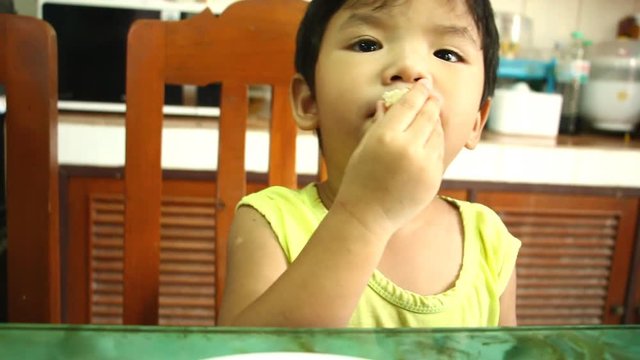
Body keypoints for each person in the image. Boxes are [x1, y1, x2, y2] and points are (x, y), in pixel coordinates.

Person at [218, 0, 520, 328]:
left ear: (477, 121)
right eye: (367, 44)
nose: (409, 67)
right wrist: (366, 214)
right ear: (309, 102)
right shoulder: (269, 223)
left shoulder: (490, 243)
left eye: (446, 54)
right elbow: (249, 351)